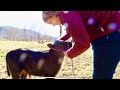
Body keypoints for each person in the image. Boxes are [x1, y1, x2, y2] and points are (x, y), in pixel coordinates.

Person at [42, 11, 120, 79]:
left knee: (101, 76)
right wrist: (60, 39)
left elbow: (83, 44)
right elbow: (73, 29)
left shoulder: (67, 15)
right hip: (113, 29)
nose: (53, 25)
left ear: (54, 15)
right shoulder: (67, 14)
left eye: (51, 22)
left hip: (108, 36)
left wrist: (69, 54)